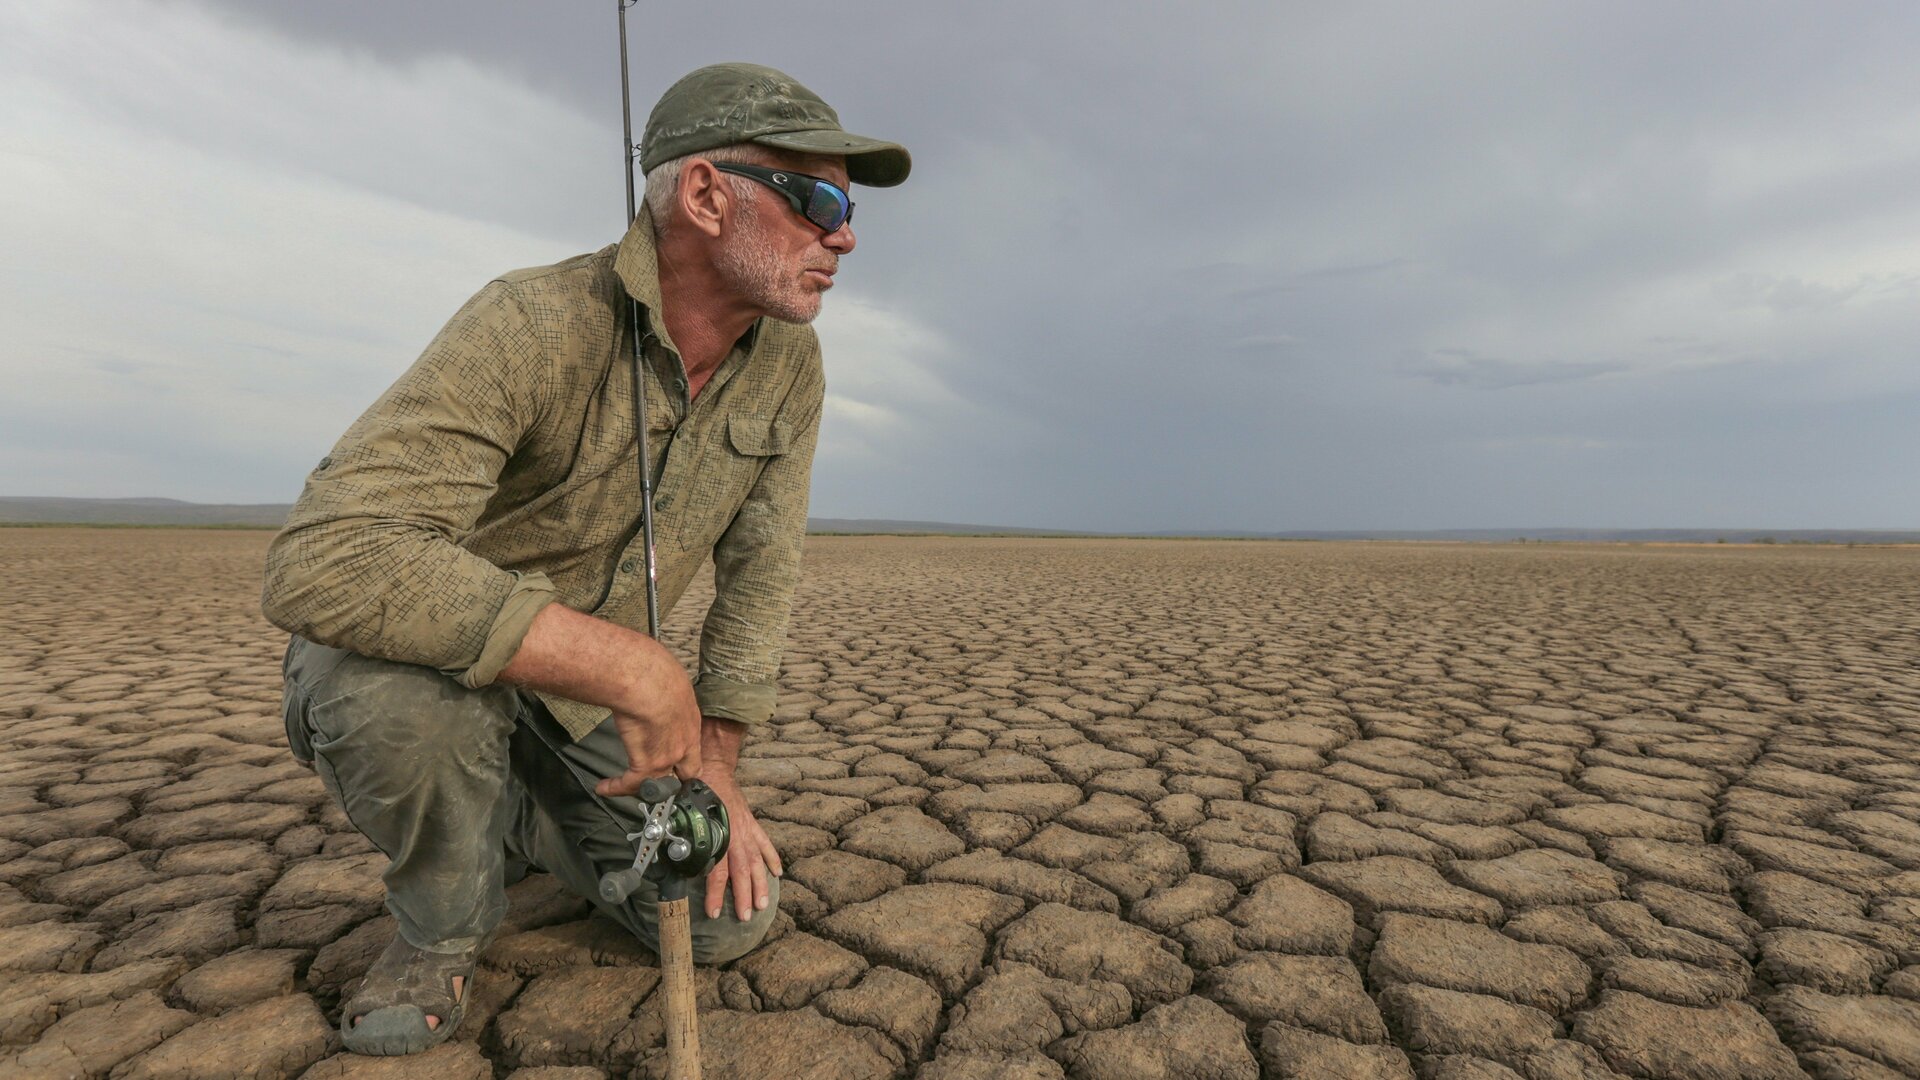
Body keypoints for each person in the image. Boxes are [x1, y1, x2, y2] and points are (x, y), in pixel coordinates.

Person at [260, 62, 909, 1056]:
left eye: (848, 210)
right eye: (816, 200)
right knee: (406, 714)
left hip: (577, 710)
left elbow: (761, 573)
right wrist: (634, 665)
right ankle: (440, 926)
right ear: (703, 195)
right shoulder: (531, 324)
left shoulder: (789, 364)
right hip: (427, 668)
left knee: (728, 916)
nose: (844, 235)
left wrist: (719, 773)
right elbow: (326, 555)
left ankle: (512, 818)